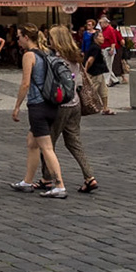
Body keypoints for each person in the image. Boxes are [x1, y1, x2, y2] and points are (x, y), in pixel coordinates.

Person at [9, 26, 65, 198]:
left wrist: (17, 106)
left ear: (26, 37)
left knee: (46, 148)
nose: (18, 40)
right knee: (32, 142)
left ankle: (59, 185)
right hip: (51, 104)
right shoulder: (47, 53)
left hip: (37, 105)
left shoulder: (29, 55)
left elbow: (25, 83)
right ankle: (27, 181)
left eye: (19, 37)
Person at [47, 24, 99, 194]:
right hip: (75, 103)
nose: (49, 41)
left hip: (61, 105)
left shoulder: (57, 60)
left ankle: (47, 178)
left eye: (51, 38)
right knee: (74, 141)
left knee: (47, 143)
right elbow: (79, 82)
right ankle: (89, 176)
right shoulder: (75, 57)